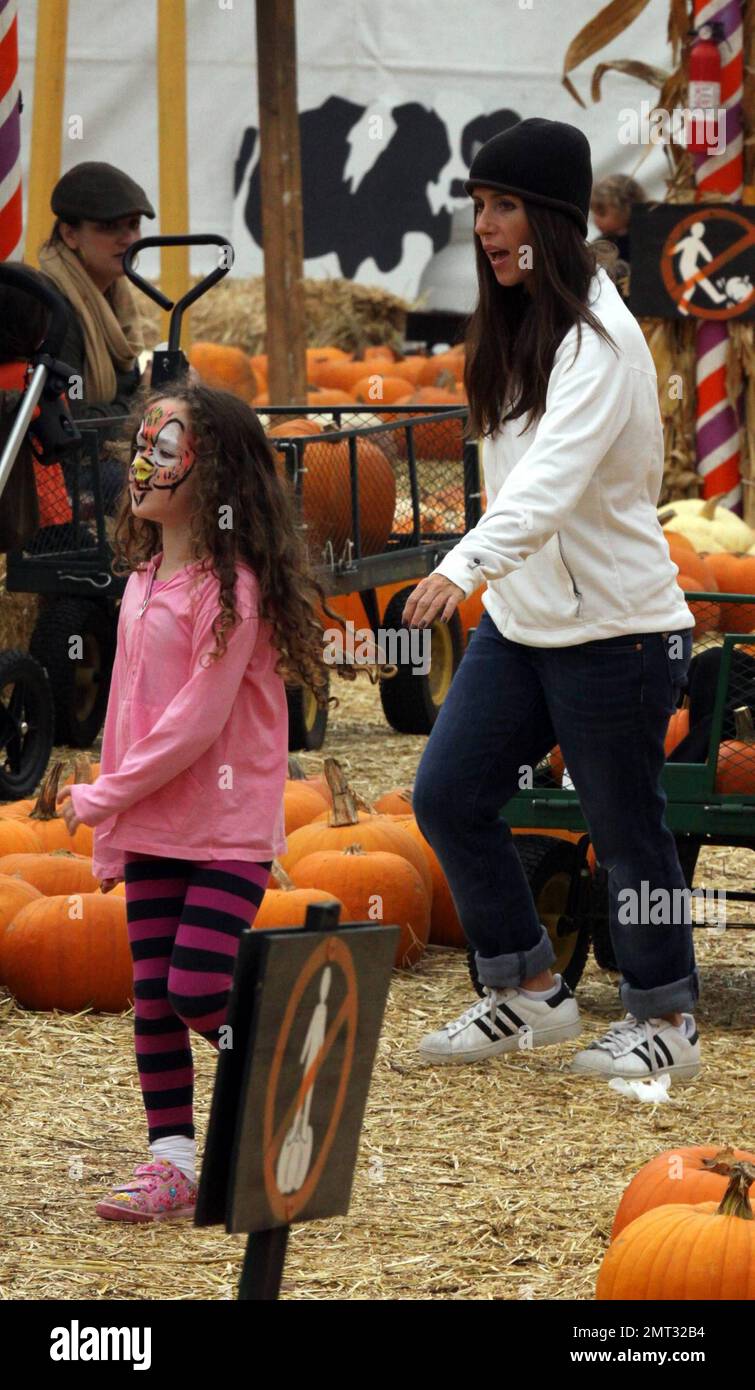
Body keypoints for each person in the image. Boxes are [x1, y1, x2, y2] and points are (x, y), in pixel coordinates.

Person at [403, 118, 700, 1082]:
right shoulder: (520, 324)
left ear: (554, 219)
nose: (485, 226)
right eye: (479, 207)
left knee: (625, 829)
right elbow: (511, 479)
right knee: (447, 795)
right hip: (525, 624)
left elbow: (550, 483)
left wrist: (465, 563)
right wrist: (485, 568)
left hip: (616, 631)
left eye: (503, 207)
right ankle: (528, 990)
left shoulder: (602, 343)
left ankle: (667, 1020)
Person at [56, 382, 336, 1221]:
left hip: (222, 828)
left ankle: (273, 1064)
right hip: (153, 825)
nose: (142, 461)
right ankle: (172, 1159)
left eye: (165, 448)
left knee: (195, 983)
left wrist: (102, 796)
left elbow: (193, 724)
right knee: (151, 992)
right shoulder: (142, 580)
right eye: (142, 442)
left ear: (212, 477)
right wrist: (118, 822)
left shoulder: (231, 589)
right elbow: (126, 712)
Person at [37, 162, 154, 515]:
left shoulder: (114, 300)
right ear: (70, 235)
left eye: (133, 225)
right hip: (63, 477)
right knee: (175, 480)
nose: (128, 239)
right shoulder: (55, 310)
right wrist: (148, 400)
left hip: (103, 462)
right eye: (109, 227)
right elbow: (77, 425)